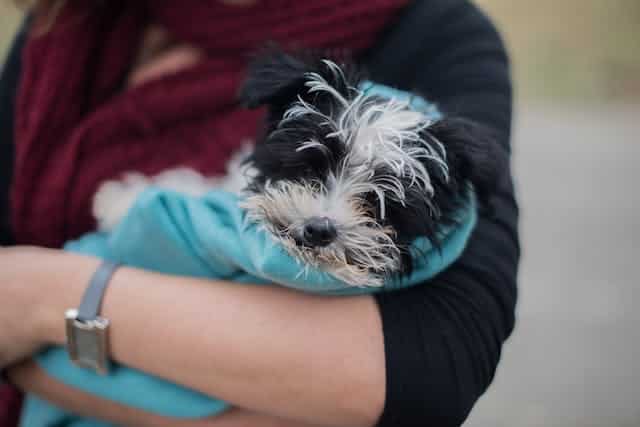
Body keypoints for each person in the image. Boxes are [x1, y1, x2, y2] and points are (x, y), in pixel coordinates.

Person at [0, 0, 520, 426]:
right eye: (312, 175)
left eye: (374, 203)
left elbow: (428, 370)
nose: (325, 215)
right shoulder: (70, 17)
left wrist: (45, 301)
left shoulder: (439, 37)